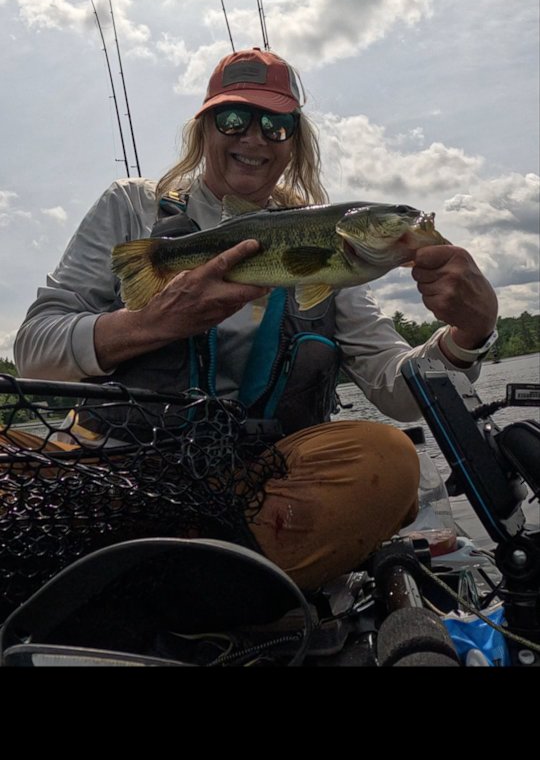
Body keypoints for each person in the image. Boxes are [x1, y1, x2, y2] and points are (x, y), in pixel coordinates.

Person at [14, 47, 499, 591]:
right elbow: (34, 351)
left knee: (388, 459)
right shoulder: (130, 207)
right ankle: (229, 588)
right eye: (233, 119)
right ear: (203, 130)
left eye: (276, 125)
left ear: (294, 143)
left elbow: (398, 390)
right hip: (113, 466)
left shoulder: (332, 248)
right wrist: (152, 323)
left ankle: (178, 585)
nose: (254, 138)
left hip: (265, 488)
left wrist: (469, 335)